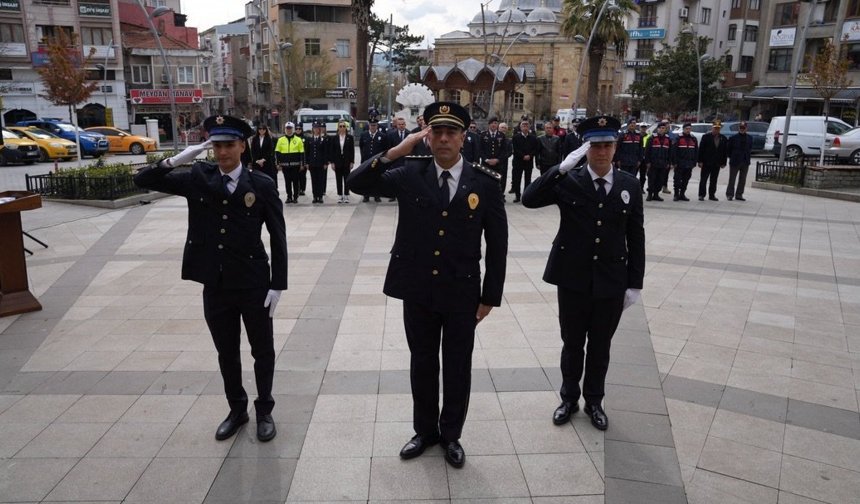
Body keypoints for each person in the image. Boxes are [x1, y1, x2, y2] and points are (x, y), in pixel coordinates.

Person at [347, 102, 508, 469]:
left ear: (464, 138)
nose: (444, 139)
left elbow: (498, 243)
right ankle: (425, 431)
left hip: (462, 292)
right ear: (428, 136)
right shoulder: (410, 173)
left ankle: (451, 434)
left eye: (452, 132)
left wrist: (490, 297)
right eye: (437, 132)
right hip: (417, 289)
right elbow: (357, 183)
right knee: (422, 363)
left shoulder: (484, 183)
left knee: (456, 365)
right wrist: (396, 151)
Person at [133, 115, 287, 442]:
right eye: (216, 145)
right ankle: (236, 409)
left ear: (242, 145)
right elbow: (143, 179)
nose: (222, 152)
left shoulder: (261, 184)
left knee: (263, 350)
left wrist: (278, 284)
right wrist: (176, 159)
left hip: (253, 282)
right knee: (226, 352)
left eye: (229, 145)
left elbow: (278, 236)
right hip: (215, 284)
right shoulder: (198, 178)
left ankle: (264, 410)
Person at [521, 115, 645, 432]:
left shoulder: (630, 185)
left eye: (607, 145)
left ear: (616, 147)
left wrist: (635, 284)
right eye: (595, 146)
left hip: (611, 280)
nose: (601, 152)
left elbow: (636, 236)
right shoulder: (569, 181)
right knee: (572, 343)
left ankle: (594, 402)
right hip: (573, 278)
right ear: (585, 148)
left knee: (600, 346)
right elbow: (529, 199)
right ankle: (568, 399)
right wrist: (560, 169)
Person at [274, 122, 305, 204]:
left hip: (295, 165)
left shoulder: (298, 140)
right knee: (287, 182)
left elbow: (302, 153)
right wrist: (277, 164)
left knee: (295, 181)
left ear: (293, 129)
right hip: (285, 165)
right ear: (285, 129)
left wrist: (302, 164)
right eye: (287, 128)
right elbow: (277, 153)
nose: (289, 130)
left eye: (290, 128)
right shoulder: (280, 140)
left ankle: (295, 197)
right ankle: (289, 197)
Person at [697, 120, 728, 201]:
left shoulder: (723, 138)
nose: (716, 130)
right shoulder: (706, 137)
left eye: (718, 128)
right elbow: (701, 150)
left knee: (714, 180)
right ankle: (701, 195)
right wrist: (700, 161)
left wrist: (724, 162)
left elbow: (725, 152)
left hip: (716, 163)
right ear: (712, 128)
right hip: (706, 162)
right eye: (715, 128)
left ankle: (712, 195)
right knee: (703, 179)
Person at [358, 119, 388, 202]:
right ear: (369, 126)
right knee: (366, 178)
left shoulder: (382, 135)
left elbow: (384, 149)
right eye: (371, 125)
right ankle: (366, 195)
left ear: (377, 126)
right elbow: (361, 146)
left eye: (374, 125)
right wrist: (363, 157)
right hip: (366, 161)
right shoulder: (364, 135)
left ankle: (377, 195)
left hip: (377, 161)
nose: (373, 127)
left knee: (377, 178)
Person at [511, 119, 539, 202]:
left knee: (528, 179)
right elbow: (515, 149)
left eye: (527, 126)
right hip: (518, 161)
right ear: (520, 127)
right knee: (517, 179)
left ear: (529, 127)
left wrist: (529, 156)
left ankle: (526, 196)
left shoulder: (533, 138)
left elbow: (535, 149)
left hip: (529, 162)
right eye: (523, 126)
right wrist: (523, 156)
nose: (525, 127)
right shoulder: (516, 137)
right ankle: (517, 196)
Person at [643, 121, 671, 201]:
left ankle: (656, 194)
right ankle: (650, 194)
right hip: (653, 163)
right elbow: (647, 151)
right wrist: (647, 162)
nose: (662, 130)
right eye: (661, 128)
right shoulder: (652, 138)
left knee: (660, 180)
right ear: (658, 129)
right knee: (652, 179)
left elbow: (670, 152)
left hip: (663, 163)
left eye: (664, 128)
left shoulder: (667, 139)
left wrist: (669, 162)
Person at [725, 121, 752, 201]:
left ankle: (739, 194)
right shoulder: (733, 138)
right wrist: (732, 157)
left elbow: (750, 148)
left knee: (743, 179)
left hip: (745, 161)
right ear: (739, 128)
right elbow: (728, 150)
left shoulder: (750, 138)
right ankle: (730, 194)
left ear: (746, 128)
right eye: (741, 128)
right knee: (732, 179)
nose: (742, 129)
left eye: (744, 128)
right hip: (735, 161)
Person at [670, 123, 698, 202]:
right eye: (686, 129)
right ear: (683, 129)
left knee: (686, 180)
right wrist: (674, 162)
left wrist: (694, 162)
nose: (688, 130)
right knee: (677, 180)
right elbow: (674, 151)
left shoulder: (693, 139)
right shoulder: (678, 138)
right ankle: (676, 194)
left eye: (689, 129)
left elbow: (696, 151)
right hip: (679, 163)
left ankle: (682, 194)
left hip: (689, 163)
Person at [304, 121, 330, 204]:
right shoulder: (309, 139)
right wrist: (307, 163)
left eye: (317, 128)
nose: (316, 129)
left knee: (320, 180)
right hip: (312, 164)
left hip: (321, 163)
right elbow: (307, 152)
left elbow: (326, 152)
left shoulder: (323, 139)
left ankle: (320, 196)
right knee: (314, 180)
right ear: (313, 129)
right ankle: (315, 196)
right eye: (314, 128)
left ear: (319, 129)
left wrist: (326, 163)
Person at [330, 121, 355, 204]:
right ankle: (340, 195)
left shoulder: (350, 138)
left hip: (347, 161)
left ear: (346, 128)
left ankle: (346, 194)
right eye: (340, 126)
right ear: (338, 128)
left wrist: (352, 161)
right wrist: (332, 162)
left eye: (343, 126)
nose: (342, 128)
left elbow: (352, 150)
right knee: (338, 179)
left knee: (347, 179)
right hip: (337, 162)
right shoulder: (334, 138)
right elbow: (332, 151)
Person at [481, 118, 507, 195]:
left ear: (497, 125)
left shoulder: (501, 136)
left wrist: (498, 160)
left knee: (497, 183)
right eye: (492, 123)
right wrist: (486, 160)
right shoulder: (483, 135)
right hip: (486, 164)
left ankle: (497, 197)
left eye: (495, 123)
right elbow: (480, 149)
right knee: (486, 182)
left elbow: (504, 150)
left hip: (498, 165)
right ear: (489, 124)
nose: (493, 125)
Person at [249, 123, 276, 187]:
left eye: (263, 129)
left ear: (266, 130)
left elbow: (270, 151)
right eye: (260, 129)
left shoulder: (268, 139)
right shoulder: (254, 139)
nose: (261, 130)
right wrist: (257, 160)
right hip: (256, 162)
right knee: (257, 179)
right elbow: (252, 150)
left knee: (266, 179)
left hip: (266, 162)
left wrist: (263, 160)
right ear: (258, 130)